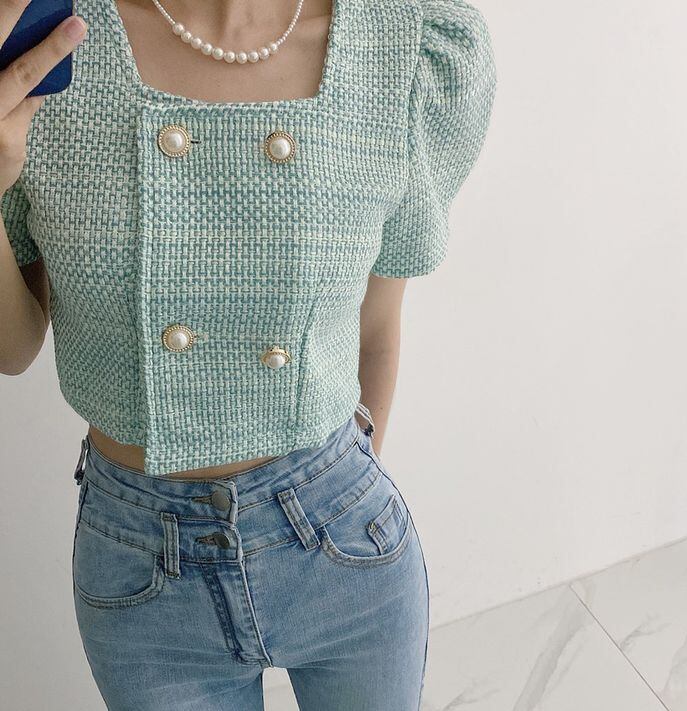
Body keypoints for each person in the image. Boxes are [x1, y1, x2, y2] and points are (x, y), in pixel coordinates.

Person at [0, 0, 496, 708]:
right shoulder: (44, 45)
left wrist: (338, 493)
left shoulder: (400, 42)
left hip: (344, 541)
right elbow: (13, 348)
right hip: (141, 573)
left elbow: (378, 326)